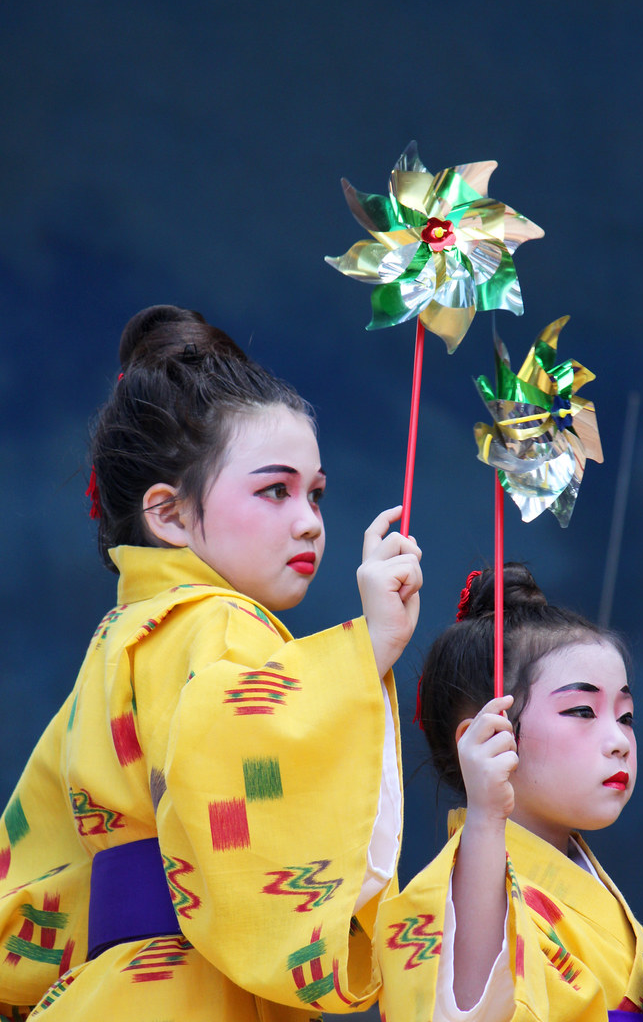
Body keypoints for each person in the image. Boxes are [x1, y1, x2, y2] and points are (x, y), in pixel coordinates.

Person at [0, 305, 422, 1021]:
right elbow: (232, 745)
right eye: (274, 489)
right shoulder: (218, 622)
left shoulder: (118, 640)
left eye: (316, 493)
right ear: (166, 514)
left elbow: (37, 845)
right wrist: (368, 646)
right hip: (194, 988)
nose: (310, 520)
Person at [376, 564, 643, 1022]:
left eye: (625, 716)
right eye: (583, 710)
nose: (619, 741)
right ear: (487, 737)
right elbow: (471, 1008)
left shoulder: (580, 877)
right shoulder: (452, 896)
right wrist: (486, 817)